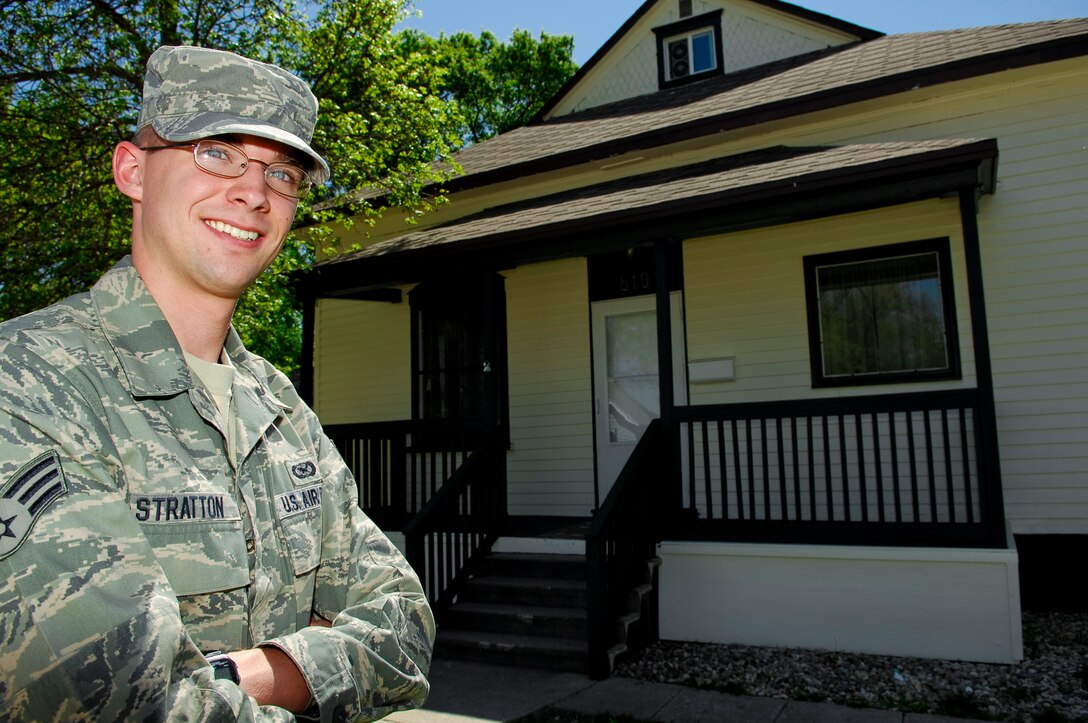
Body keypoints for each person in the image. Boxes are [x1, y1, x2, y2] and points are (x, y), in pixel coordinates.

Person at [0, 45, 435, 721]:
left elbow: (405, 629)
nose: (254, 191)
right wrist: (319, 655)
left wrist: (245, 670)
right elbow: (130, 700)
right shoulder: (29, 381)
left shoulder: (280, 407)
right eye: (216, 151)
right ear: (132, 171)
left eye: (283, 172)